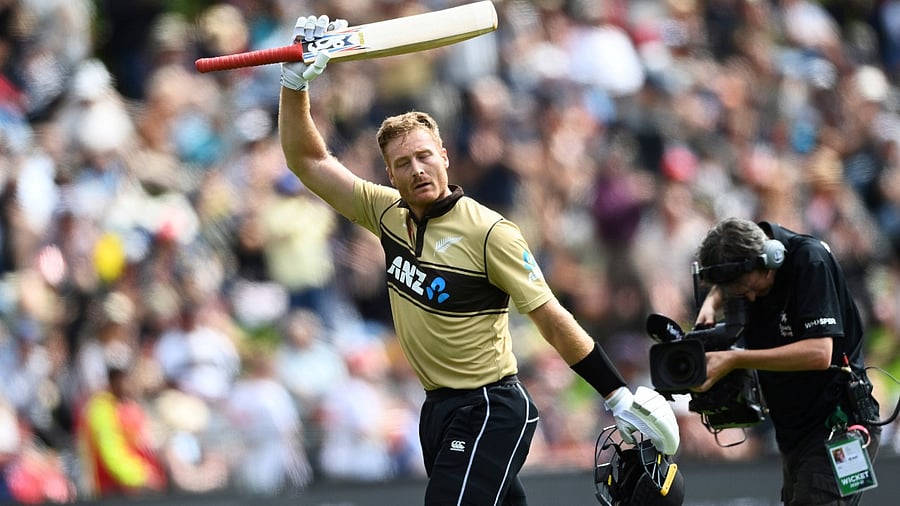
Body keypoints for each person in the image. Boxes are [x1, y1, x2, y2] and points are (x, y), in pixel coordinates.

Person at [275, 14, 679, 505]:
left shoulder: (490, 232)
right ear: (389, 173)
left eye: (425, 155)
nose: (417, 169)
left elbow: (551, 318)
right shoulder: (383, 210)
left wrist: (616, 395)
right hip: (437, 411)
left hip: (490, 406)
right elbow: (308, 161)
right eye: (403, 163)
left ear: (445, 155)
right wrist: (296, 84)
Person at [694, 217, 881, 506]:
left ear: (772, 257)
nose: (751, 298)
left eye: (751, 288)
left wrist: (735, 359)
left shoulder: (810, 260)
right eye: (740, 294)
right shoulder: (747, 267)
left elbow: (820, 353)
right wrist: (712, 301)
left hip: (837, 425)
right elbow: (734, 277)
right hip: (794, 430)